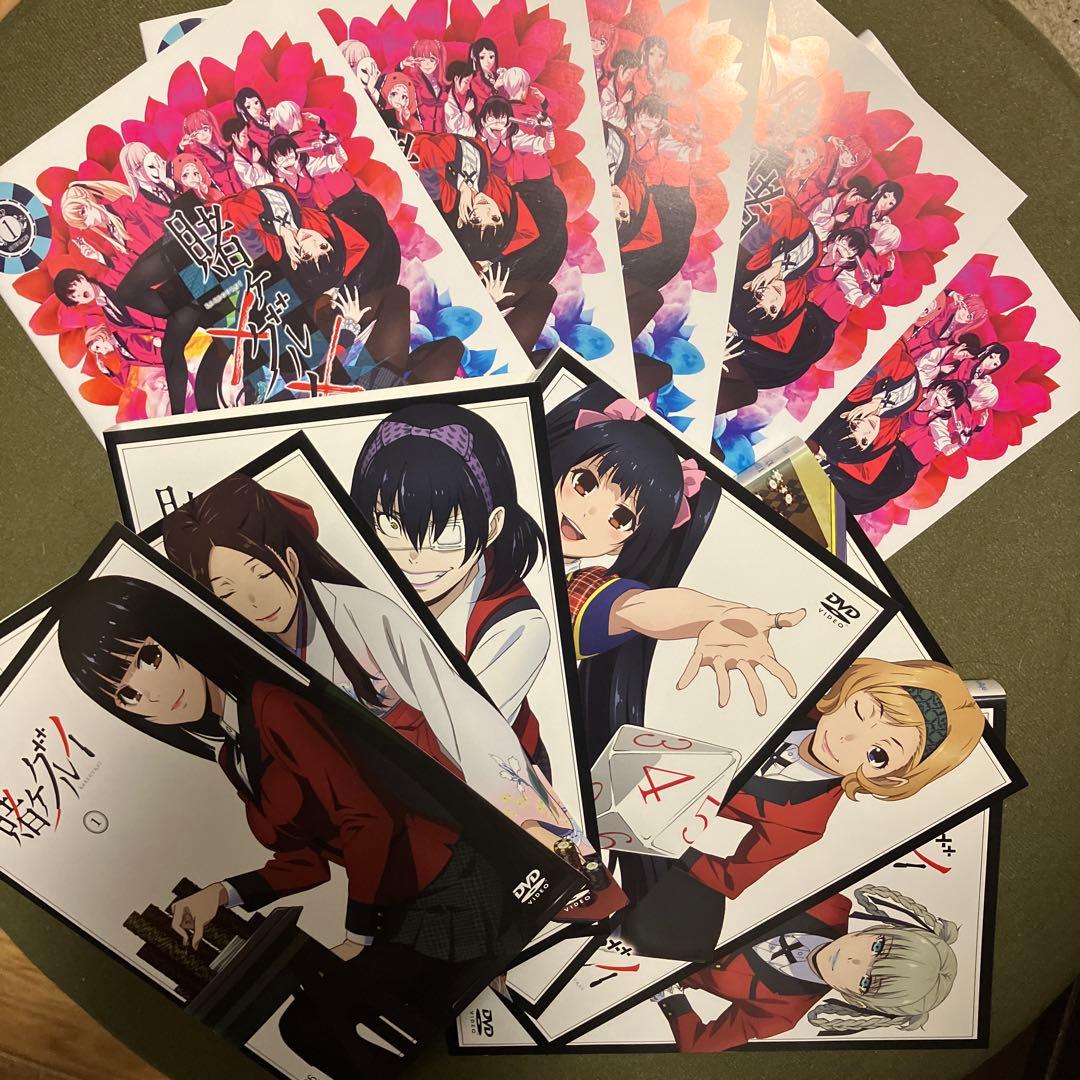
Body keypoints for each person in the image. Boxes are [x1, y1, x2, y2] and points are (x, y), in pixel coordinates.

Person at [54, 573, 507, 1078]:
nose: (153, 694)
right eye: (128, 695)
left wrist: (357, 937)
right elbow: (306, 863)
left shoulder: (273, 705)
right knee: (310, 1022)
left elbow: (368, 819)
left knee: (310, 1024)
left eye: (149, 657)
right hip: (401, 910)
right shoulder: (230, 754)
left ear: (173, 629)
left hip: (448, 890)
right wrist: (219, 896)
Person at [160, 473, 556, 794]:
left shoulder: (363, 614)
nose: (255, 600)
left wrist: (520, 814)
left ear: (290, 561)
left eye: (262, 574)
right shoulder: (254, 667)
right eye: (228, 594)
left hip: (450, 771)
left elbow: (457, 713)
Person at [619, 658, 984, 961]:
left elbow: (731, 879)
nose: (846, 739)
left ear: (894, 777)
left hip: (647, 819)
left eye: (878, 755)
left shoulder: (805, 819)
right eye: (860, 710)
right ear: (849, 688)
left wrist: (669, 844)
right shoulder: (789, 696)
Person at [351, 402, 551, 775]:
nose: (415, 557)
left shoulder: (517, 626)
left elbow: (463, 750)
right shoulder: (361, 578)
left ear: (492, 526)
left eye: (445, 533)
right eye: (390, 524)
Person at [652, 883, 960, 1048]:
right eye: (877, 947)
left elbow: (700, 1043)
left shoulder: (781, 1013)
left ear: (860, 1001)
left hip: (655, 955)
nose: (853, 960)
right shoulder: (830, 903)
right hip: (675, 890)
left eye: (866, 981)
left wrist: (668, 991)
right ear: (883, 929)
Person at [267, 134, 353, 211]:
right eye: (280, 157)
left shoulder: (306, 166)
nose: (286, 158)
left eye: (289, 152)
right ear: (274, 163)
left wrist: (336, 145)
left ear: (296, 152)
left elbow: (339, 160)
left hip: (317, 214)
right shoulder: (275, 179)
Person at [178, 108, 243, 195]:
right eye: (197, 133)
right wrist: (181, 146)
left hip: (240, 190)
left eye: (205, 129)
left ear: (211, 127)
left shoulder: (222, 147)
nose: (203, 135)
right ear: (192, 136)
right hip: (222, 196)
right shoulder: (197, 156)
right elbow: (181, 164)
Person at [119, 142, 179, 232]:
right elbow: (157, 233)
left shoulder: (166, 180)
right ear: (132, 173)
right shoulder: (140, 205)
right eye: (139, 166)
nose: (146, 169)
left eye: (147, 161)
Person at [400, 39, 447, 132]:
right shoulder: (413, 81)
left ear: (438, 61)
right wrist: (402, 65)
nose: (427, 64)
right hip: (420, 133)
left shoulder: (441, 84)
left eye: (432, 59)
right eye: (422, 60)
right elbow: (391, 82)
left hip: (440, 133)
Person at [221, 117, 273, 189]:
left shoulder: (239, 156)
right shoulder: (236, 162)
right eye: (244, 135)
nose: (248, 139)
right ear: (234, 136)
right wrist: (255, 162)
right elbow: (255, 183)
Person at [599, 49, 641, 129]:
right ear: (621, 68)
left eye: (633, 75)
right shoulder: (606, 84)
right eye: (629, 74)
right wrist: (622, 102)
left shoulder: (629, 87)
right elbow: (606, 115)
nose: (631, 78)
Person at [233, 86, 274, 158]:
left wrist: (277, 116)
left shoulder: (268, 117)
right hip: (273, 156)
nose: (255, 108)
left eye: (256, 102)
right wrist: (272, 127)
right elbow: (268, 146)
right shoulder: (251, 129)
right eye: (248, 107)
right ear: (243, 110)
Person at [379, 71, 423, 135]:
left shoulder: (412, 121)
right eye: (394, 94)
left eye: (403, 97)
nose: (398, 99)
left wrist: (407, 120)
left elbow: (418, 135)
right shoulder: (382, 107)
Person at [469, 36, 505, 110]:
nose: (488, 61)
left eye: (491, 57)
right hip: (484, 115)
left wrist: (507, 77)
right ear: (475, 58)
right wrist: (495, 87)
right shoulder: (475, 81)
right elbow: (486, 103)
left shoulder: (497, 76)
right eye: (482, 57)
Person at [444, 59, 478, 136]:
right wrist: (466, 111)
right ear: (456, 79)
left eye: (469, 83)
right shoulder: (447, 101)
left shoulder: (462, 96)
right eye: (466, 82)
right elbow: (454, 127)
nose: (468, 87)